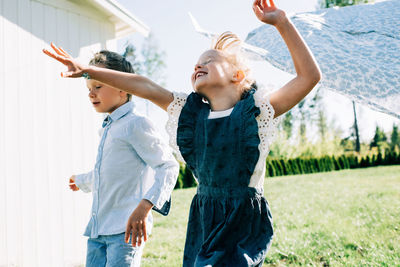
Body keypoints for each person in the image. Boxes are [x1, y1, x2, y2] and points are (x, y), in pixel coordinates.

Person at [43, 0, 321, 265]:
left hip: (241, 217)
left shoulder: (255, 113)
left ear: (236, 76)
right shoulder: (189, 114)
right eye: (196, 63)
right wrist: (88, 71)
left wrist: (282, 22)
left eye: (210, 60)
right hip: (204, 214)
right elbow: (145, 86)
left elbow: (309, 77)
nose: (198, 65)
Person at [64, 50, 179, 267]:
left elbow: (168, 166)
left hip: (125, 230)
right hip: (98, 229)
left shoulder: (136, 124)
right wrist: (81, 181)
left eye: (98, 86)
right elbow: (107, 174)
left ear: (122, 88)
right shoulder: (108, 128)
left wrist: (146, 206)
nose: (91, 94)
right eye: (89, 89)